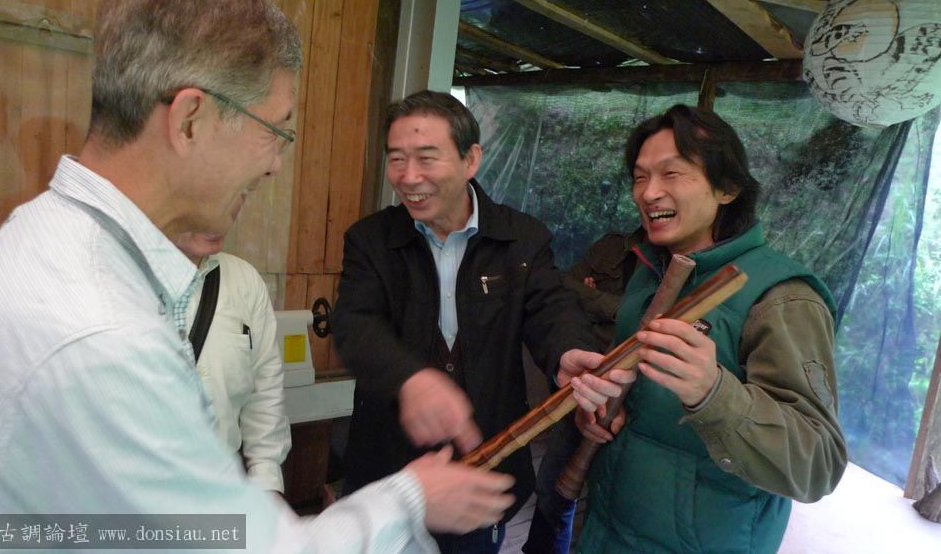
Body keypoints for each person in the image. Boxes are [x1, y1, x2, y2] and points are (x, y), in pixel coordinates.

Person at [0, 0, 521, 552]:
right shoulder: (103, 333)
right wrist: (412, 498)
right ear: (190, 120)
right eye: (276, 131)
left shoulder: (47, 233)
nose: (275, 164)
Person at [331, 90, 635, 553]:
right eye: (396, 159)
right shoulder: (371, 240)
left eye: (426, 158)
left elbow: (551, 307)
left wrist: (568, 352)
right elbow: (355, 325)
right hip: (390, 472)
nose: (408, 177)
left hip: (485, 466)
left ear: (470, 159)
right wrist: (410, 380)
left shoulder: (521, 239)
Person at [575, 104, 848, 553]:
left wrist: (713, 393)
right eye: (640, 177)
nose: (649, 193)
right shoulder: (650, 269)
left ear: (728, 188)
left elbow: (818, 465)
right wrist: (601, 408)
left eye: (672, 173)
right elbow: (642, 401)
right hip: (609, 529)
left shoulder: (782, 297)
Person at [523, 227, 643, 554]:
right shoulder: (612, 246)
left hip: (639, 402)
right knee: (554, 485)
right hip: (587, 386)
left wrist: (592, 300)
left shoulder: (686, 262)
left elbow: (649, 325)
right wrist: (618, 309)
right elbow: (563, 286)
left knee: (612, 502)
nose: (651, 200)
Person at [175, 232, 290, 496]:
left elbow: (264, 392)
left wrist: (267, 482)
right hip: (131, 498)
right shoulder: (117, 279)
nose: (225, 217)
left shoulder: (244, 281)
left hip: (221, 490)